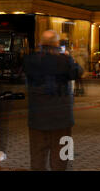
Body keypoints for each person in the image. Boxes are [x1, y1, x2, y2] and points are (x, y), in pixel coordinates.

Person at [24, 30, 76, 171]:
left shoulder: (30, 60)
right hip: (62, 119)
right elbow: (77, 72)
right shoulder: (65, 60)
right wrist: (67, 56)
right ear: (57, 44)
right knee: (61, 158)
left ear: (41, 43)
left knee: (37, 157)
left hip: (37, 118)